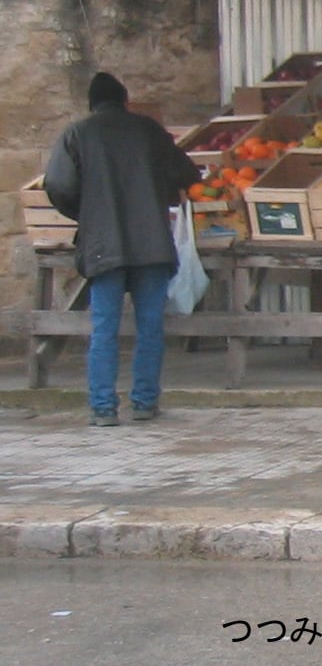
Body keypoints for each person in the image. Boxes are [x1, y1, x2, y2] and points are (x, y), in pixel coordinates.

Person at [43, 72, 201, 427]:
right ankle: (144, 402)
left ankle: (103, 408)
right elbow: (186, 173)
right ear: (125, 100)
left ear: (92, 104)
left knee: (104, 328)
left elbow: (57, 183)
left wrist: (85, 212)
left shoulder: (78, 133)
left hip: (103, 244)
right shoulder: (149, 131)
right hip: (151, 243)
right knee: (150, 327)